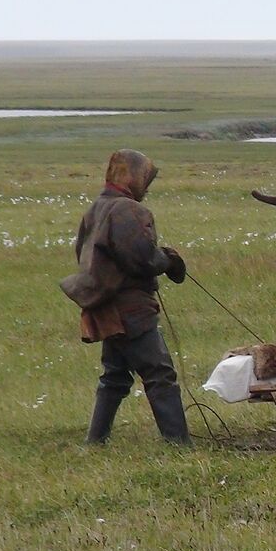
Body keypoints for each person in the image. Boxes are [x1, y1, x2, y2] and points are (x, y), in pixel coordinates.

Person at [61, 149, 191, 444]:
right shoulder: (129, 210)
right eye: (145, 177)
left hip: (104, 307)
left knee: (115, 376)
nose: (147, 185)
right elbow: (143, 259)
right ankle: (179, 444)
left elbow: (83, 252)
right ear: (133, 176)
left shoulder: (96, 208)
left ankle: (95, 442)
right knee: (159, 374)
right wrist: (169, 260)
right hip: (130, 307)